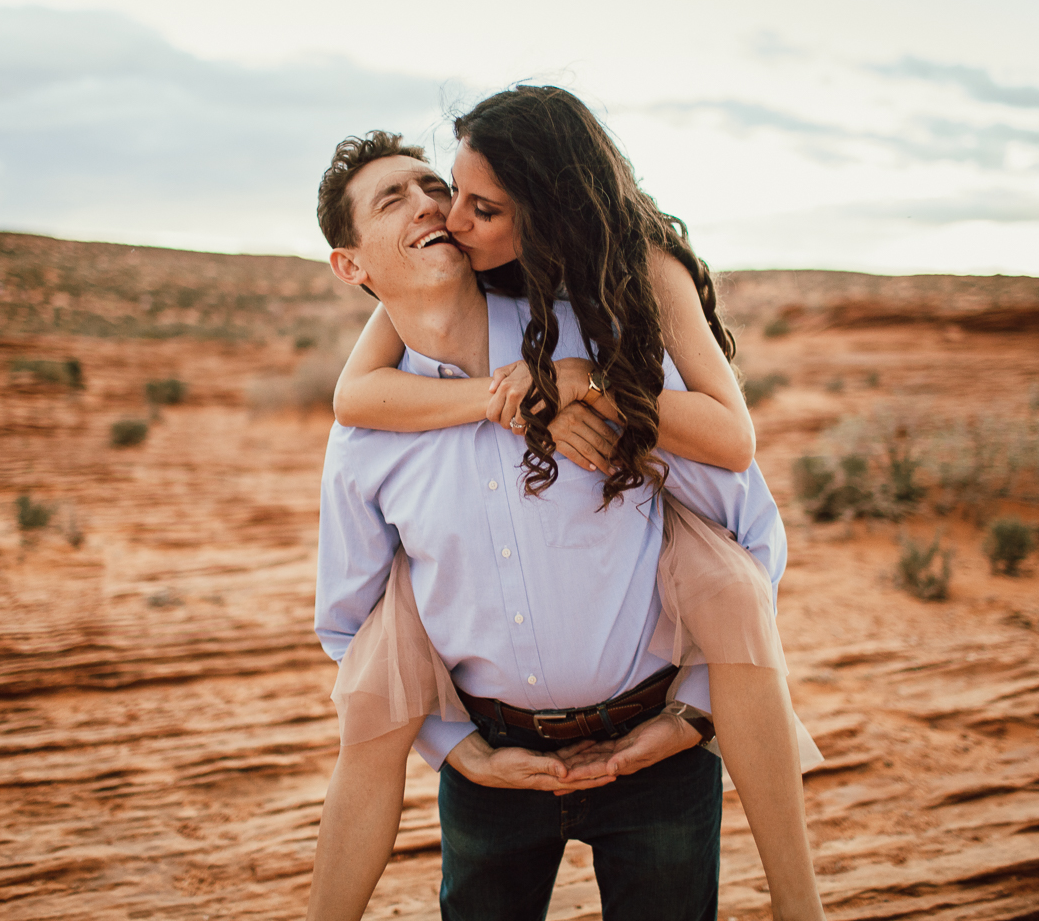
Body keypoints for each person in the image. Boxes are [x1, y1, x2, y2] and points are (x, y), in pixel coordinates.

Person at [307, 116, 822, 920]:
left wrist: (692, 712)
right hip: (493, 777)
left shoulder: (593, 343)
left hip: (655, 759)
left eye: (435, 188)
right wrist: (458, 751)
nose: (431, 206)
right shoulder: (368, 434)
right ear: (350, 265)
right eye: (391, 199)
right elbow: (350, 628)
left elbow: (740, 535)